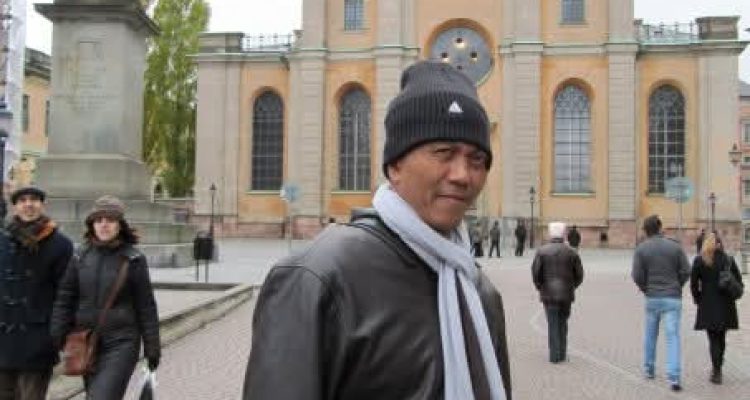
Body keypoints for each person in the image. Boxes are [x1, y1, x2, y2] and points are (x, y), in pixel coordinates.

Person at [243, 61, 512, 400]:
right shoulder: (320, 278)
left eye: (477, 160)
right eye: (444, 152)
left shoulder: (480, 292)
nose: (462, 175)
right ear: (395, 165)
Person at [50, 196, 161, 399]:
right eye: (99, 220)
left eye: (110, 220)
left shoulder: (134, 259)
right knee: (95, 394)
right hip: (87, 342)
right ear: (92, 224)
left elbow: (146, 306)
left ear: (120, 225)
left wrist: (152, 347)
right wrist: (57, 335)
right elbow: (65, 298)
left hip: (122, 343)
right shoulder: (80, 256)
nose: (104, 224)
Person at [0, 186, 73, 400]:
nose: (28, 204)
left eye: (34, 200)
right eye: (22, 200)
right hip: (3, 338)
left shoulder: (60, 244)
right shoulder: (2, 241)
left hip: (38, 339)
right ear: (15, 207)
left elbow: (66, 294)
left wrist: (58, 335)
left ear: (43, 205)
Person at [631, 215, 690, 391]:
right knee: (673, 337)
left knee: (650, 334)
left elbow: (636, 275)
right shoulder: (675, 246)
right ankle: (674, 377)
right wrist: (677, 285)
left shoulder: (641, 249)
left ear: (645, 230)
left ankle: (649, 369)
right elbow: (686, 270)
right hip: (672, 296)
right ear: (660, 228)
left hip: (653, 297)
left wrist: (645, 288)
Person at [690, 232, 742, 384]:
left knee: (713, 339)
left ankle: (716, 370)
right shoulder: (728, 260)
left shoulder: (700, 260)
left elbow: (693, 284)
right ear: (719, 244)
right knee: (721, 337)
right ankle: (718, 366)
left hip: (707, 304)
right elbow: (739, 282)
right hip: (726, 304)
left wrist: (698, 299)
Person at [531, 222, 584, 363]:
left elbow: (536, 273)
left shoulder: (542, 251)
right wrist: (571, 286)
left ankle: (554, 355)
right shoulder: (572, 252)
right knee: (563, 323)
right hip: (566, 294)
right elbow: (579, 275)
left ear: (550, 234)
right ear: (563, 234)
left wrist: (540, 287)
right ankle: (562, 353)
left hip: (548, 294)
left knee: (552, 323)